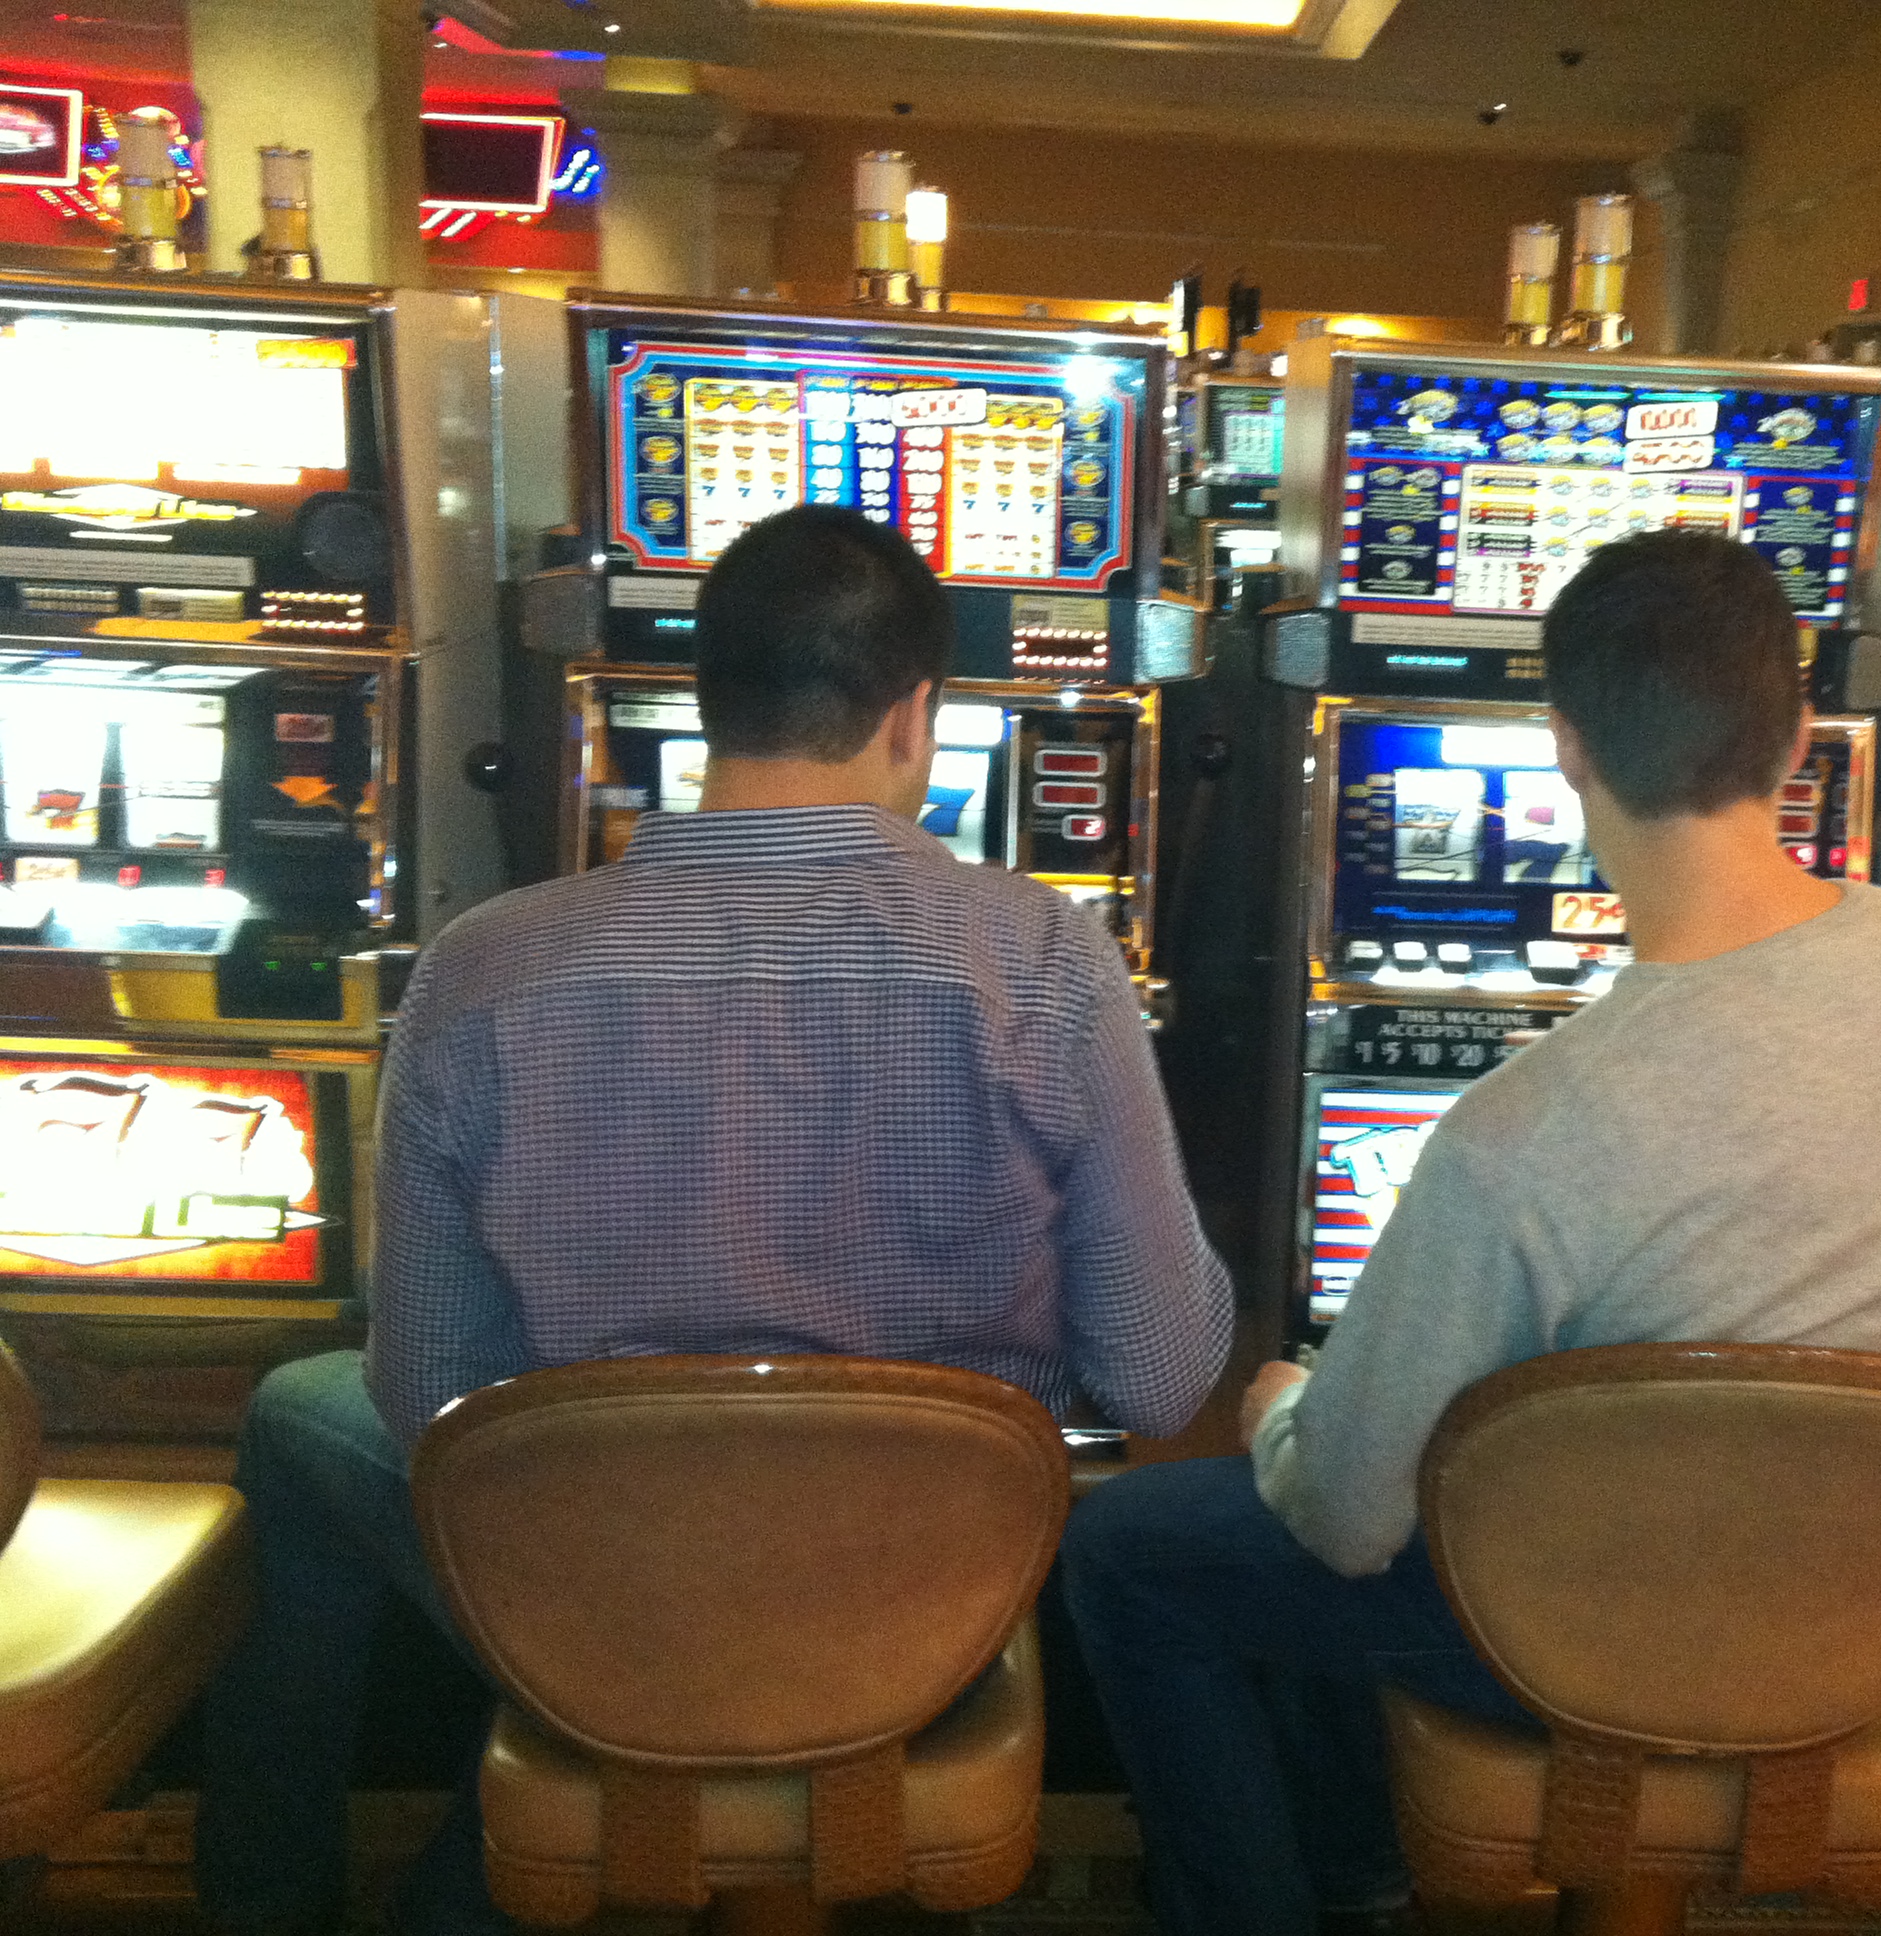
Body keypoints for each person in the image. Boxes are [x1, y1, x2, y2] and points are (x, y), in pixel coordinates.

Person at [195, 505, 1234, 1936]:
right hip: (919, 1596)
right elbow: (1160, 1377)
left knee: (295, 1414)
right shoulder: (1050, 958)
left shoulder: (482, 967)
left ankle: (276, 1897)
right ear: (914, 715)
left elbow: (427, 1385)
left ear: (700, 699)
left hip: (596, 1577)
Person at [1060, 527, 1881, 1936]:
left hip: (1588, 1628)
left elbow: (1348, 1520)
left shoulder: (1523, 1132)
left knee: (1142, 1547)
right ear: (1795, 740)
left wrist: (1286, 1416)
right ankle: (1358, 1873)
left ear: (1568, 750)